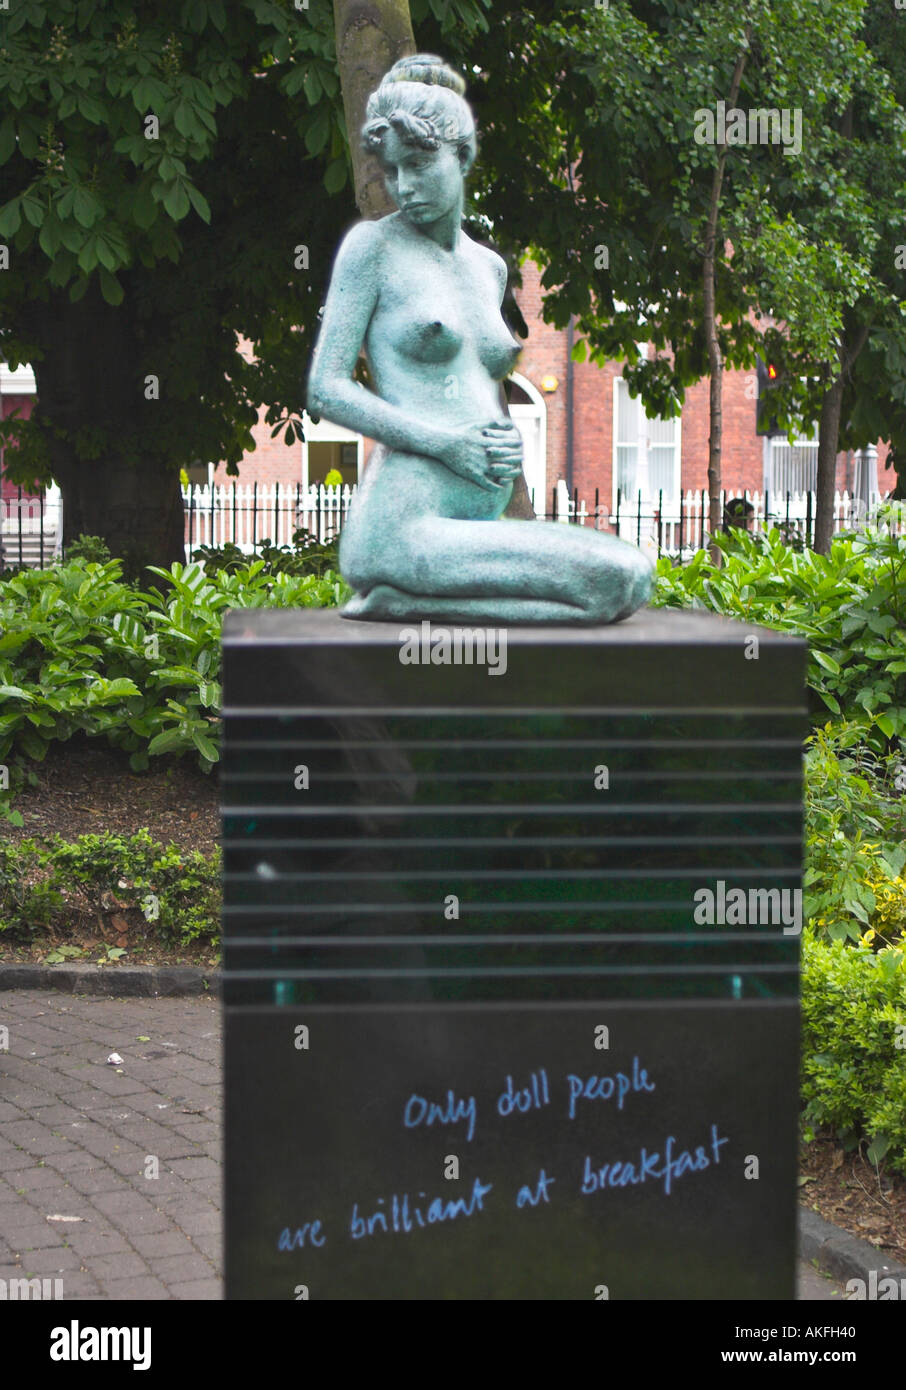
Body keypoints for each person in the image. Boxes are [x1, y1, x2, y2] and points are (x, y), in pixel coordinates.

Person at [307, 53, 653, 624]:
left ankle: (404, 603)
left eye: (419, 163)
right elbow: (326, 388)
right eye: (392, 171)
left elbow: (471, 381)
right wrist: (444, 442)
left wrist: (506, 441)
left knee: (629, 579)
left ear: (461, 155)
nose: (403, 187)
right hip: (404, 523)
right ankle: (398, 588)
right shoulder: (373, 250)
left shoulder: (488, 268)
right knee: (616, 579)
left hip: (473, 523)